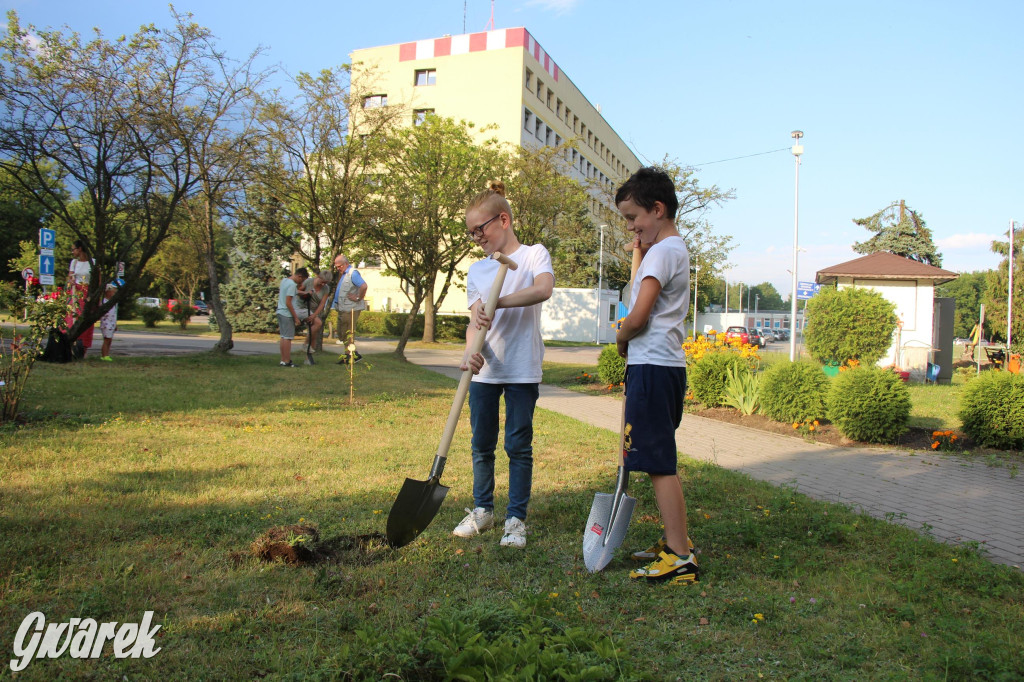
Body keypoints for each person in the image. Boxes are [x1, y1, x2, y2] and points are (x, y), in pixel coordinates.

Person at [452, 180, 554, 549]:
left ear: (504, 220)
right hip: (486, 369)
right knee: (481, 443)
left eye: (481, 228)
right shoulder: (477, 271)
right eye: (471, 232)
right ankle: (483, 509)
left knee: (517, 445)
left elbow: (543, 289)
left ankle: (515, 519)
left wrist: (498, 302)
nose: (476, 236)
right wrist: (468, 351)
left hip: (523, 367)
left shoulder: (533, 255)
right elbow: (473, 324)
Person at [614, 167, 698, 584]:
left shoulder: (663, 253)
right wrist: (638, 247)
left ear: (658, 209)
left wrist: (620, 336)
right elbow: (641, 285)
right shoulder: (670, 250)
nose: (632, 228)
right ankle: (674, 540)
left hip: (651, 367)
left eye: (634, 219)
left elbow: (638, 314)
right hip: (664, 367)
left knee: (660, 463)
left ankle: (681, 556)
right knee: (656, 458)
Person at [331, 254, 367, 364]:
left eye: (339, 266)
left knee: (348, 332)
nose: (338, 269)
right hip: (343, 308)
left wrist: (358, 297)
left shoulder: (353, 273)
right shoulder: (343, 274)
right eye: (336, 267)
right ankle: (352, 354)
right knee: (342, 333)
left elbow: (364, 286)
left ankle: (351, 355)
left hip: (351, 308)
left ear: (346, 264)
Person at [276, 267, 316, 367]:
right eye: (302, 280)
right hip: (287, 313)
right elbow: (288, 302)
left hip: (280, 311)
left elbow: (295, 292)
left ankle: (283, 360)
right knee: (288, 338)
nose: (301, 283)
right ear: (299, 276)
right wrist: (296, 318)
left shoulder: (285, 281)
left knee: (283, 337)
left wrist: (305, 293)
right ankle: (287, 361)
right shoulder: (292, 285)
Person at [66, 239, 96, 357]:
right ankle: (71, 346)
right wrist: (71, 281)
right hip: (75, 294)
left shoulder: (93, 262)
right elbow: (70, 277)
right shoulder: (74, 262)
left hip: (87, 293)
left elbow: (96, 280)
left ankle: (83, 349)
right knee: (72, 319)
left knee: (86, 320)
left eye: (73, 249)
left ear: (80, 249)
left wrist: (94, 296)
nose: (72, 252)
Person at [297, 270, 334, 351]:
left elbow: (322, 304)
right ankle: (305, 344)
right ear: (318, 277)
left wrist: (314, 315)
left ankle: (309, 357)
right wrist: (306, 293)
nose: (323, 284)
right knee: (318, 323)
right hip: (303, 308)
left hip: (315, 311)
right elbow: (297, 291)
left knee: (314, 334)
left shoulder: (326, 288)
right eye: (322, 282)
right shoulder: (308, 282)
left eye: (326, 283)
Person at [99, 282, 119, 361]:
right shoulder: (104, 302)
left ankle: (107, 354)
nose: (113, 294)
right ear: (108, 292)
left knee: (109, 340)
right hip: (106, 323)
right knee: (106, 340)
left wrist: (115, 324)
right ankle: (104, 355)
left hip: (111, 323)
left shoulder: (112, 303)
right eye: (113, 292)